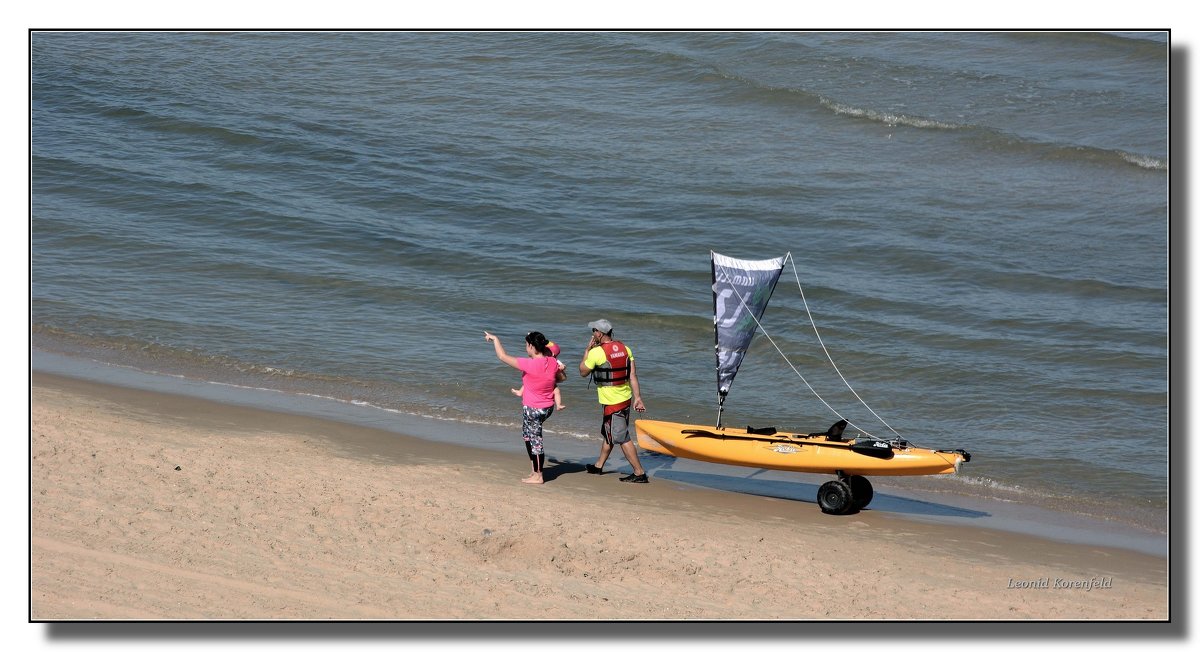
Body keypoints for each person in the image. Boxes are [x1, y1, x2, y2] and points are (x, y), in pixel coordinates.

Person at [484, 330, 566, 484]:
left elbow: (502, 356)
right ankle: (534, 470)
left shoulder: (529, 364)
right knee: (527, 436)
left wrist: (495, 339)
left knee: (536, 441)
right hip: (546, 408)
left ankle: (539, 476)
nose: (525, 347)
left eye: (527, 345)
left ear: (532, 347)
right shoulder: (552, 362)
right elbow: (560, 375)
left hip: (534, 409)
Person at [578, 319, 648, 483]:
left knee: (621, 436)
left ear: (600, 333)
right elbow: (632, 376)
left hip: (612, 403)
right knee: (609, 433)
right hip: (626, 399)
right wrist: (638, 398)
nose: (592, 333)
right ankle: (598, 465)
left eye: (594, 330)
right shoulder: (626, 349)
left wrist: (587, 350)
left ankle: (639, 473)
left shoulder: (597, 353)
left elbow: (582, 371)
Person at [511, 341, 566, 410]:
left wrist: (562, 368)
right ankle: (520, 392)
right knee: (528, 383)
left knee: (557, 391)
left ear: (552, 354)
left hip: (550, 382)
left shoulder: (554, 360)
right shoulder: (540, 358)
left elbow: (563, 366)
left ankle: (558, 405)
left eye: (545, 351)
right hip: (541, 380)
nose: (543, 352)